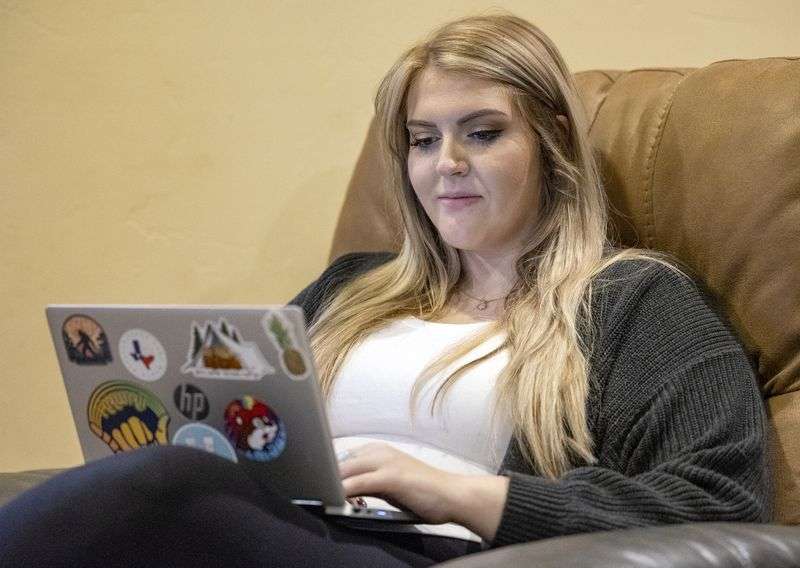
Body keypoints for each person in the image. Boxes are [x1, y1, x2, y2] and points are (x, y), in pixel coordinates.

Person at [0, 11, 769, 568]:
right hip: (278, 527)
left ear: (554, 144)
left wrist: (451, 492)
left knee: (161, 483)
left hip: (417, 552)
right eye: (423, 140)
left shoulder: (632, 302)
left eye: (483, 132)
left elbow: (719, 499)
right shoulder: (349, 289)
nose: (446, 165)